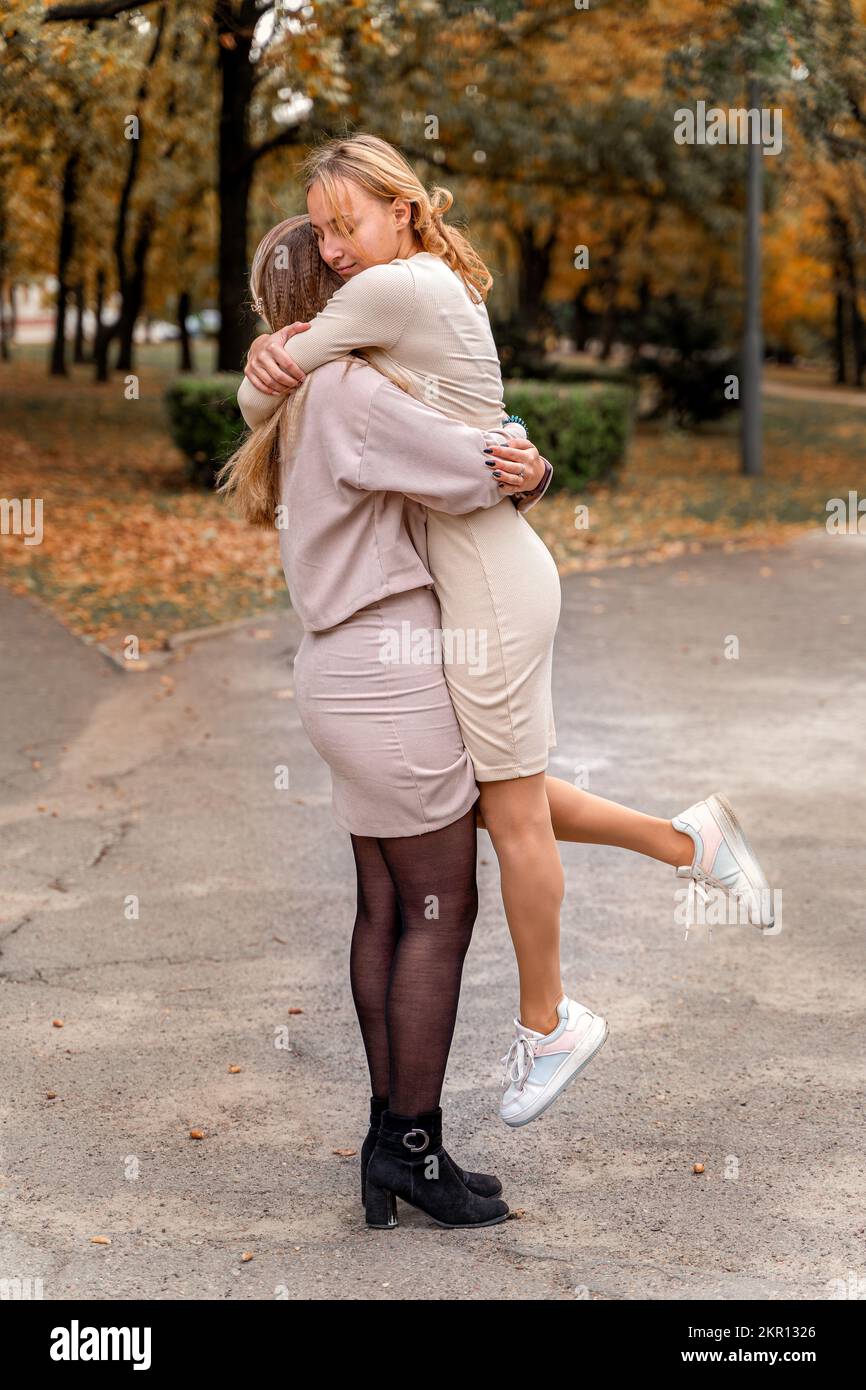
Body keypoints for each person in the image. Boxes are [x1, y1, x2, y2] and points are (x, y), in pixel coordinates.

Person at [239, 132, 776, 1132]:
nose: (339, 245)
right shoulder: (394, 329)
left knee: (506, 811)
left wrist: (520, 464)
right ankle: (684, 842)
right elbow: (467, 443)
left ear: (398, 209)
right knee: (494, 800)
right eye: (322, 234)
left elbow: (449, 448)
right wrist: (518, 461)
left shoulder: (379, 317)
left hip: (485, 583)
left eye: (345, 222)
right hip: (478, 575)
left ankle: (547, 1023)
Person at [219, 215, 548, 1228]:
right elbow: (478, 467)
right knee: (441, 912)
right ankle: (411, 1145)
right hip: (389, 679)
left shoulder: (297, 399)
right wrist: (534, 462)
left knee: (385, 907)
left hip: (342, 671)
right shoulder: (353, 394)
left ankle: (388, 1140)